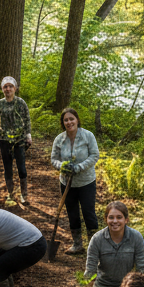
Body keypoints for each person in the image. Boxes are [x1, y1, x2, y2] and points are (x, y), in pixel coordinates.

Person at [50, 107, 100, 254]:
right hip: (67, 183)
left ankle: (94, 246)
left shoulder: (87, 136)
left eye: (71, 119)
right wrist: (62, 166)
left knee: (88, 212)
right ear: (63, 122)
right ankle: (77, 244)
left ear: (77, 120)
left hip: (86, 182)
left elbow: (94, 155)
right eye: (66, 120)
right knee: (72, 213)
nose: (69, 122)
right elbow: (54, 159)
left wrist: (79, 167)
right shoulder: (59, 139)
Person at [83, 201, 144, 287]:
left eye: (119, 217)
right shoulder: (97, 239)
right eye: (111, 217)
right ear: (106, 219)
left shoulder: (136, 237)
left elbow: (142, 269)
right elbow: (90, 269)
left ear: (126, 220)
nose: (115, 221)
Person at [0, 76, 32, 205]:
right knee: (8, 168)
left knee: (21, 168)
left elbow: (27, 118)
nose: (8, 89)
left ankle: (24, 195)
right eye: (5, 87)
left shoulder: (21, 103)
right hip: (4, 139)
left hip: (19, 139)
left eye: (10, 86)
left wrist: (28, 135)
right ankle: (11, 194)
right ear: (2, 89)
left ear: (15, 88)